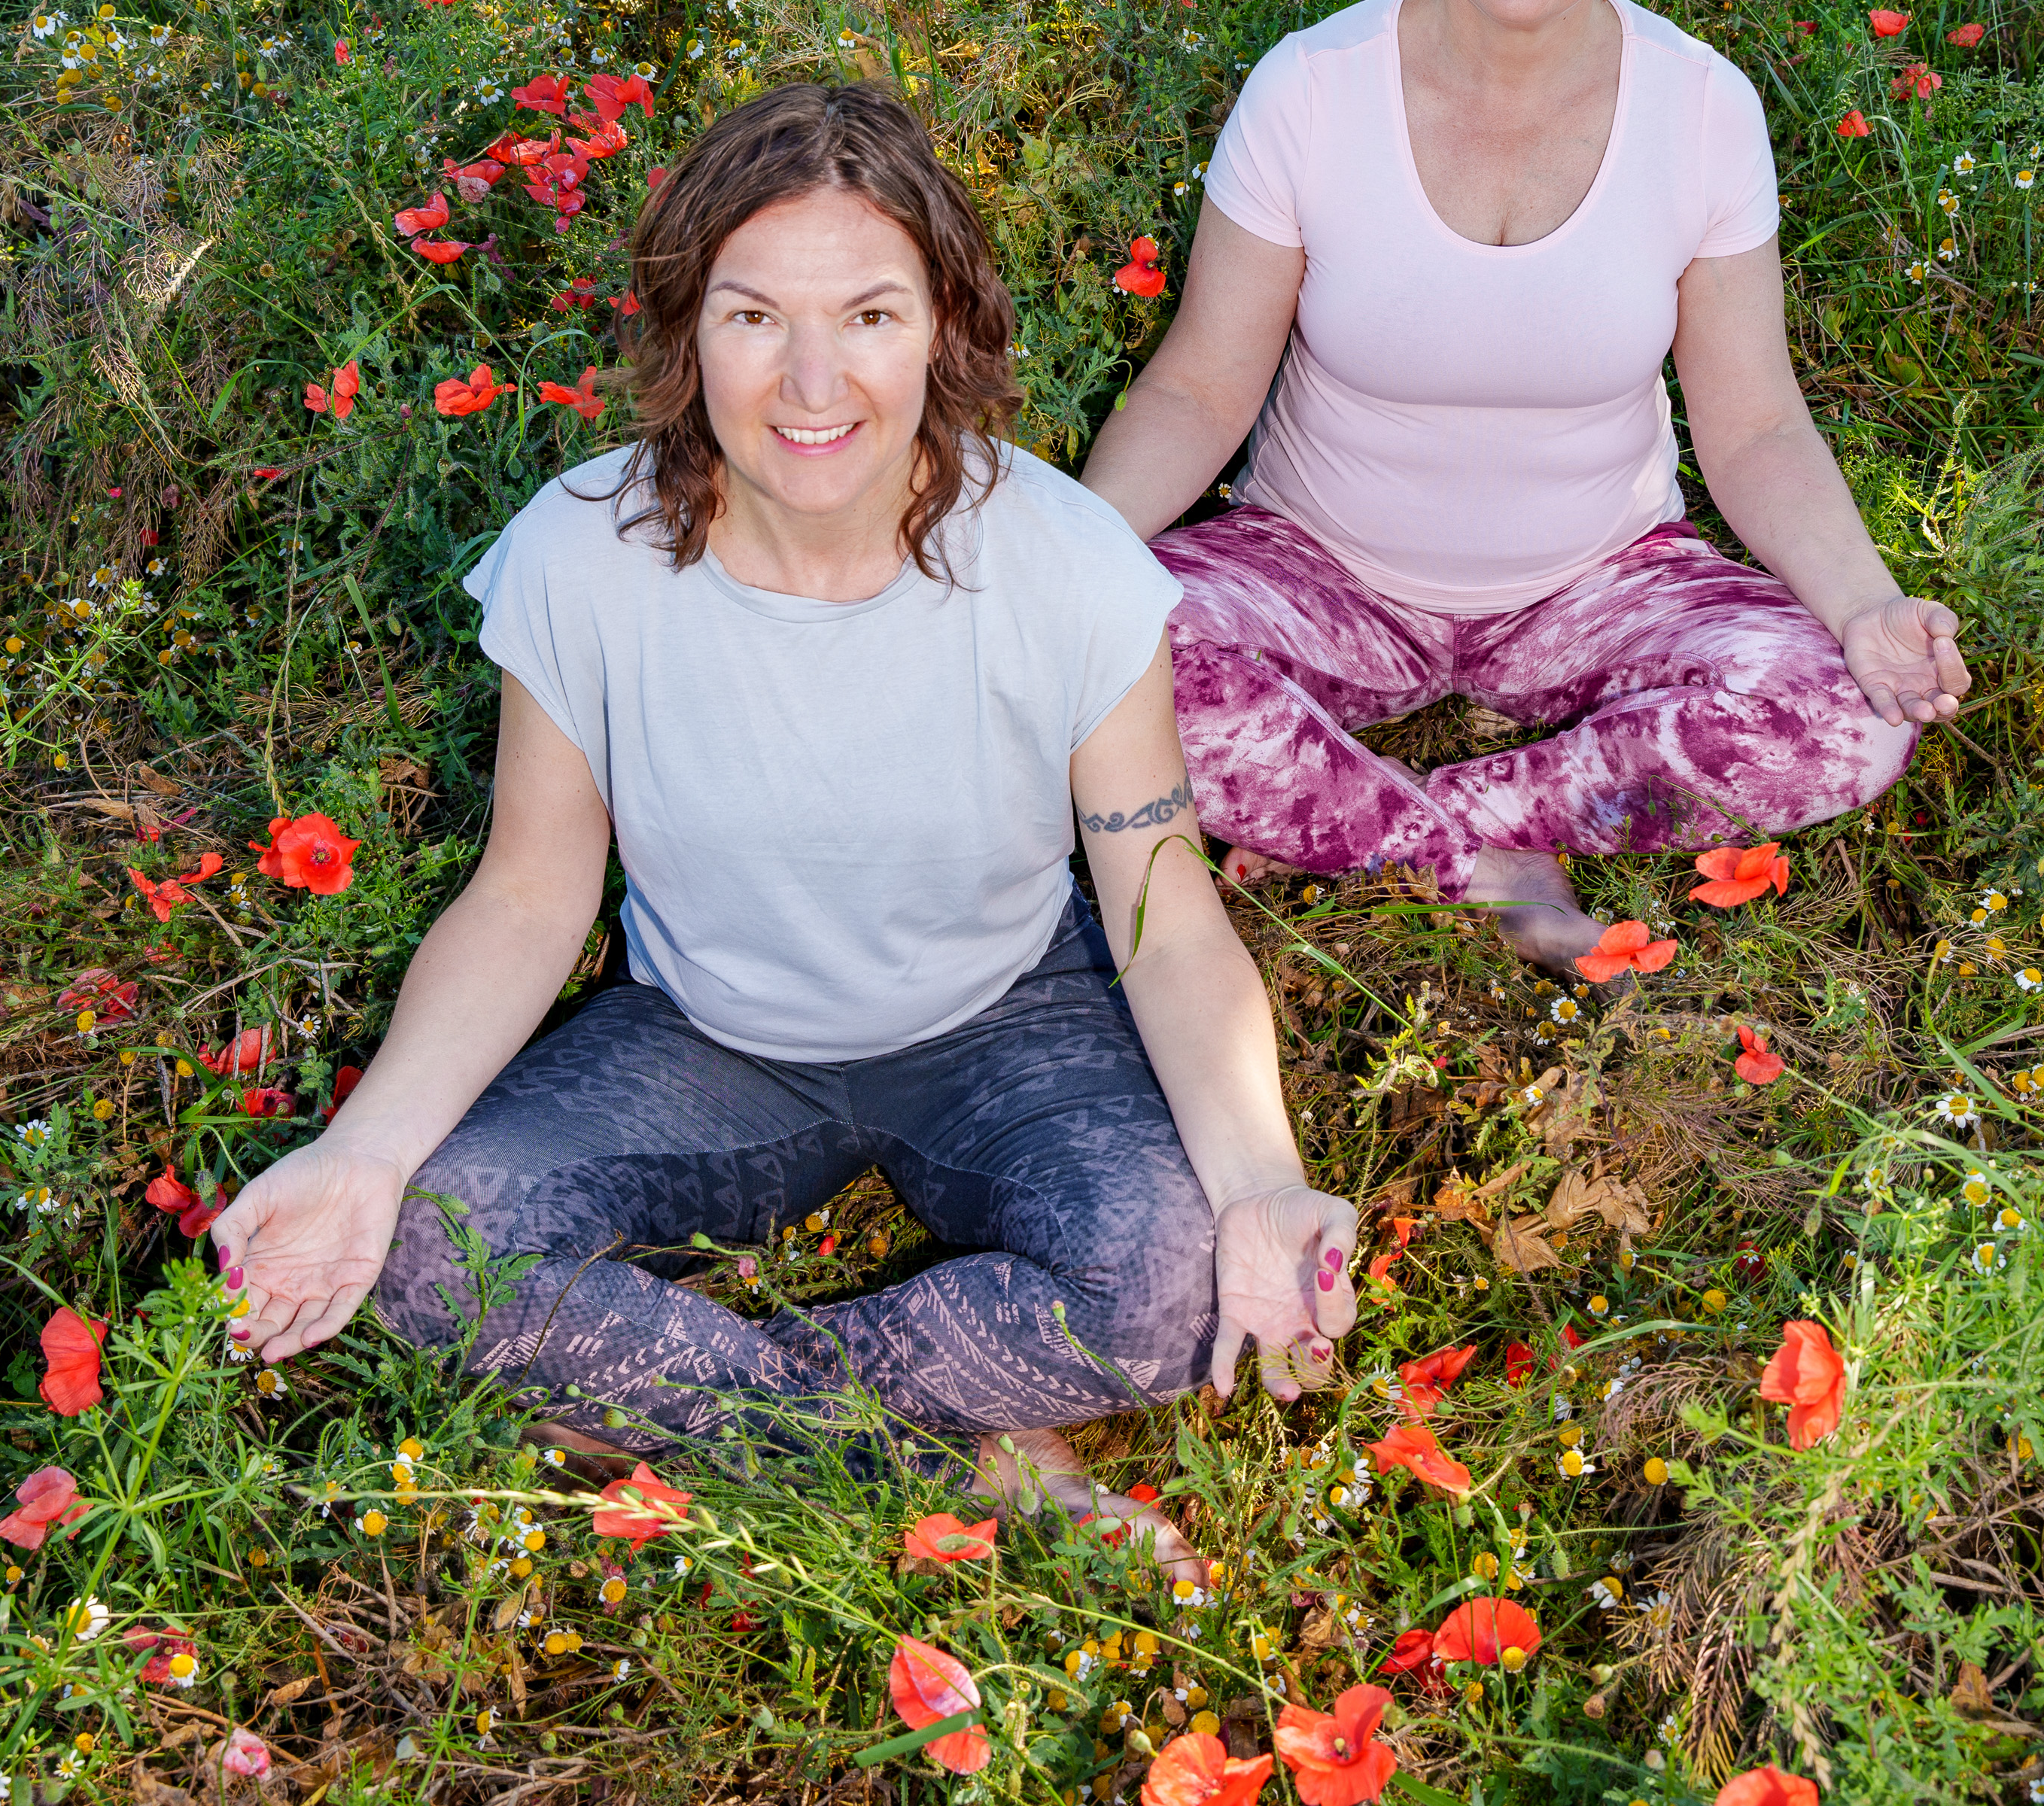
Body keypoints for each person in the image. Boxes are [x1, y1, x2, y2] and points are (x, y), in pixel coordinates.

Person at [200, 83, 1358, 1549]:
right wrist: (362, 1157)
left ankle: (695, 1418)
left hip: (1007, 1015)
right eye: (756, 318)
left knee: (1178, 1282)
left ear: (942, 322)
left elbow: (1162, 911)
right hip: (708, 1039)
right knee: (427, 1250)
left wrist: (1264, 1185)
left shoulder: (1064, 561)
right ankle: (958, 1461)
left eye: (868, 315)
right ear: (690, 329)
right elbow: (528, 898)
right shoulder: (583, 556)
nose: (814, 383)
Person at [1080, 0, 1971, 971]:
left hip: (1600, 585)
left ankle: (1444, 818)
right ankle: (1470, 861)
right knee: (1110, 662)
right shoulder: (1311, 88)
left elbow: (1756, 426)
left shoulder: (1705, 111)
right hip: (1321, 572)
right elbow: (1201, 385)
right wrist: (1068, 562)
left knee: (1845, 721)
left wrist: (1870, 605)